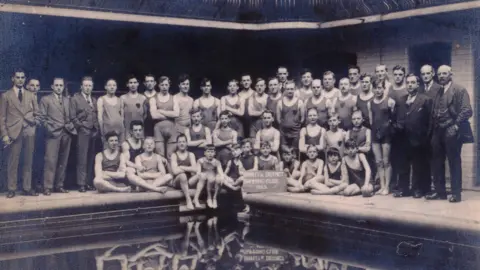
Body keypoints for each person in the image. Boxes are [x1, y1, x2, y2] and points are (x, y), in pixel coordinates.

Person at [427, 65, 473, 203]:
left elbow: (466, 110)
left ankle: (456, 194)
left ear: (450, 74)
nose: (441, 76)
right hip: (438, 131)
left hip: (452, 130)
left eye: (444, 74)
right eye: (440, 74)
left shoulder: (459, 90)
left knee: (454, 162)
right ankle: (440, 192)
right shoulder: (438, 92)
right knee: (436, 162)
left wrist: (456, 125)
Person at [1, 69, 39, 198]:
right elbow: (2, 118)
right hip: (13, 132)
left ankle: (27, 188)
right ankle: (11, 188)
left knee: (28, 160)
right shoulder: (6, 95)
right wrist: (4, 134)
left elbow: (38, 114)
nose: (20, 79)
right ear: (13, 79)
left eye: (23, 77)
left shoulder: (31, 95)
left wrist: (33, 124)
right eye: (18, 77)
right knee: (13, 161)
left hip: (29, 131)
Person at [394, 74, 432, 198]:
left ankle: (418, 189)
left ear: (418, 84)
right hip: (402, 138)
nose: (410, 85)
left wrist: (425, 137)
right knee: (403, 165)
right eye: (408, 82)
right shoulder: (400, 100)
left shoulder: (425, 99)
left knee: (418, 165)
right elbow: (395, 117)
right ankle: (403, 189)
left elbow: (430, 121)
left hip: (419, 138)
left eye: (412, 82)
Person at [38, 77, 76, 195]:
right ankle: (47, 187)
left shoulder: (67, 100)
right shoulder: (46, 99)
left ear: (63, 87)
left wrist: (70, 127)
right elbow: (42, 118)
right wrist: (50, 130)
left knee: (63, 161)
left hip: (66, 133)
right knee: (50, 160)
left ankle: (59, 185)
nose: (59, 87)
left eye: (61, 85)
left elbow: (71, 116)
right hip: (53, 134)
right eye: (57, 85)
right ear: (52, 86)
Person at [70, 76, 98, 192]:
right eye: (85, 85)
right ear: (81, 87)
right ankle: (81, 184)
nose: (88, 88)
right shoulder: (75, 99)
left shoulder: (94, 99)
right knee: (82, 158)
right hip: (82, 132)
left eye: (90, 86)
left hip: (93, 132)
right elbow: (73, 117)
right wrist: (81, 127)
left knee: (90, 158)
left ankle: (88, 182)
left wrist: (96, 129)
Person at [369, 79, 395, 195]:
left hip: (386, 134)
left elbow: (393, 119)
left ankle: (387, 187)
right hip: (375, 134)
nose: (378, 90)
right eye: (376, 88)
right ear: (373, 89)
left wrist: (386, 130)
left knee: (386, 161)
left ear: (384, 89)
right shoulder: (370, 103)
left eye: (380, 88)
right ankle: (382, 186)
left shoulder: (390, 102)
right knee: (378, 161)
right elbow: (371, 121)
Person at [388, 66, 409, 194]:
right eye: (395, 74)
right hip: (393, 129)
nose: (397, 76)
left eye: (400, 74)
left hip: (405, 129)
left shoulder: (407, 90)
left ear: (404, 75)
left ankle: (403, 186)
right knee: (393, 158)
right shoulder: (390, 91)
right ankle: (393, 185)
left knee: (404, 160)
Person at [150, 76, 180, 159]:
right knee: (160, 155)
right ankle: (162, 172)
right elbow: (154, 115)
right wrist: (170, 115)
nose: (164, 87)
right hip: (158, 130)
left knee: (171, 155)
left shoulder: (174, 98)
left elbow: (176, 114)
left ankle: (171, 171)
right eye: (162, 85)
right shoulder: (153, 99)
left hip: (172, 129)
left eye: (166, 84)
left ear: (169, 85)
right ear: (159, 85)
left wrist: (160, 111)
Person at [171, 134, 202, 209]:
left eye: (183, 142)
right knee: (182, 175)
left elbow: (195, 169)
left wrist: (182, 167)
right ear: (177, 144)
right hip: (177, 182)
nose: (182, 144)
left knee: (201, 175)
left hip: (188, 181)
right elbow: (175, 171)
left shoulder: (191, 154)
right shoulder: (174, 155)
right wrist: (189, 168)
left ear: (186, 143)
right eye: (180, 142)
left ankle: (196, 199)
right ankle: (188, 200)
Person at [277, 80, 305, 148]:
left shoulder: (300, 102)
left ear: (295, 89)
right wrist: (285, 125)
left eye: (291, 89)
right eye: (288, 89)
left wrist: (295, 125)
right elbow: (278, 119)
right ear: (285, 90)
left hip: (295, 133)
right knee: (284, 151)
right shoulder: (280, 102)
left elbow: (303, 118)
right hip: (283, 133)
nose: (290, 91)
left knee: (295, 151)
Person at [98, 79, 125, 145]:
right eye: (109, 85)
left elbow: (122, 117)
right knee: (107, 151)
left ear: (116, 87)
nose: (112, 87)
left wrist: (122, 129)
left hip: (120, 131)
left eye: (114, 85)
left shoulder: (120, 100)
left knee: (120, 151)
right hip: (107, 132)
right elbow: (100, 118)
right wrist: (102, 133)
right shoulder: (101, 99)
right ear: (105, 87)